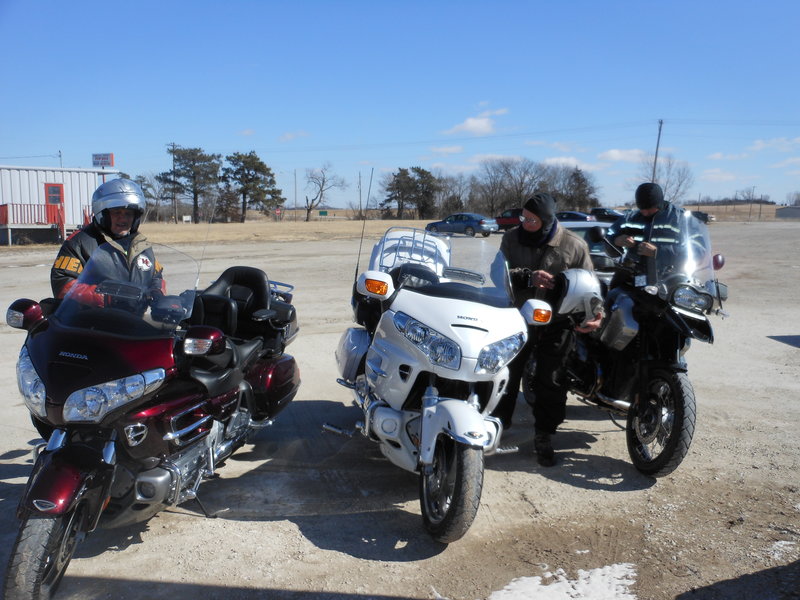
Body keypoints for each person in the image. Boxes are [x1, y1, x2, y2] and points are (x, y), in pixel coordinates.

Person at [493, 192, 603, 467]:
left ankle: (544, 435)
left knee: (552, 380)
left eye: (530, 219)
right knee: (505, 373)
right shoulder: (512, 238)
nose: (524, 223)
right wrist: (527, 276)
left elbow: (590, 285)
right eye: (522, 217)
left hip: (558, 321)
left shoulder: (573, 245)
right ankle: (496, 427)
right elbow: (497, 273)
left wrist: (596, 315)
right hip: (518, 319)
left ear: (545, 220)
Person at [50, 178, 163, 307]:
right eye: (117, 212)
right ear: (102, 214)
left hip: (132, 322)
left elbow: (156, 276)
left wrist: (158, 294)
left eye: (129, 213)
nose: (123, 218)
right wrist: (106, 297)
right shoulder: (80, 243)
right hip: (89, 322)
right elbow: (63, 284)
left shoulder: (140, 245)